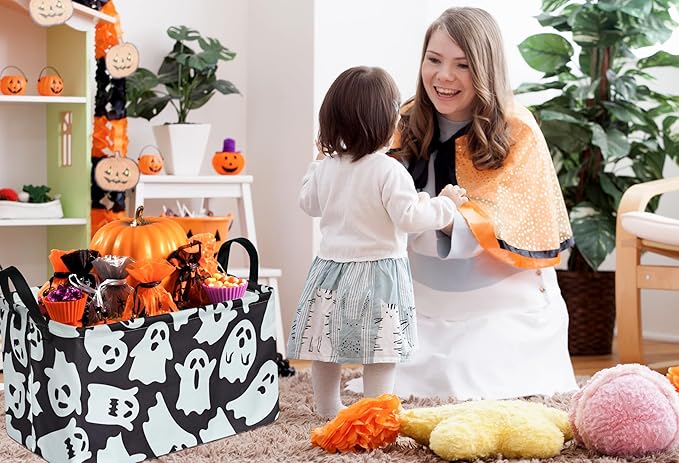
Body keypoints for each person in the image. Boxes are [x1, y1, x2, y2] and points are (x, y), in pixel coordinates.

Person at [348, 7, 578, 400]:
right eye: (434, 60)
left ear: (486, 70)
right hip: (422, 300)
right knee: (402, 373)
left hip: (500, 302)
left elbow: (511, 217)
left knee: (464, 376)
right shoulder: (404, 120)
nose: (444, 77)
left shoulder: (516, 129)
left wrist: (436, 213)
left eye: (463, 65)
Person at [287, 66, 466, 418]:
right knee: (381, 349)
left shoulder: (328, 168)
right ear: (387, 123)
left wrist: (316, 164)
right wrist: (446, 204)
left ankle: (328, 406)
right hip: (378, 275)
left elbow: (309, 204)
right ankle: (375, 410)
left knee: (326, 345)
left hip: (330, 272)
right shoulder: (389, 170)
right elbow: (410, 218)